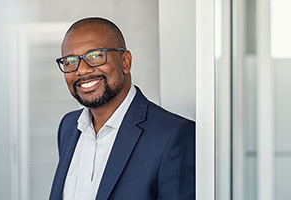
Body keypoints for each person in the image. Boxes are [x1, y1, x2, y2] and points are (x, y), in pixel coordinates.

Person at [49, 17, 195, 200]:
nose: (82, 70)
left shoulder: (173, 136)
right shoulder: (68, 126)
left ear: (125, 61)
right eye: (70, 61)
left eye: (95, 56)